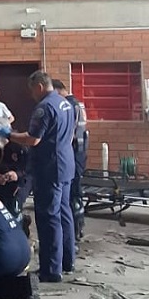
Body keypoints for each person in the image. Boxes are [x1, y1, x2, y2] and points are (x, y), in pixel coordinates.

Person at [8, 71, 76, 282]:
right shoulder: (65, 103)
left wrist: (8, 135)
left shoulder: (44, 107)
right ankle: (67, 261)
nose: (32, 96)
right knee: (64, 213)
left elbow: (33, 139)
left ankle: (51, 270)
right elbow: (71, 133)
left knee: (49, 218)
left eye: (32, 91)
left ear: (39, 86)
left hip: (50, 168)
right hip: (66, 164)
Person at [53, 79, 89, 241]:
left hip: (72, 153)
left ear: (57, 91)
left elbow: (68, 133)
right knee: (76, 191)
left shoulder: (67, 105)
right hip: (80, 152)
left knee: (72, 193)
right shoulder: (78, 104)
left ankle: (73, 233)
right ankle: (78, 228)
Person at [0, 122, 32, 237]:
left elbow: (30, 169)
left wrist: (17, 175)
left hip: (22, 181)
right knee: (2, 208)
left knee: (14, 206)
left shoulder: (21, 146)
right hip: (5, 182)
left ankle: (19, 230)